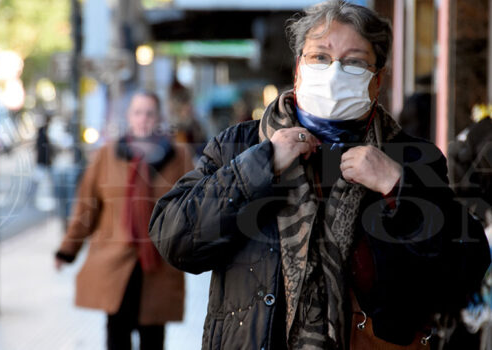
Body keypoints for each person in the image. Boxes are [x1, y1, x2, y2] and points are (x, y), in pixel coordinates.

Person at [149, 1, 491, 349]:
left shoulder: (411, 158)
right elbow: (175, 239)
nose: (334, 72)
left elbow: (464, 271)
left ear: (378, 79)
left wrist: (398, 187)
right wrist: (259, 165)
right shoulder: (239, 146)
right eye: (320, 57)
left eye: (355, 61)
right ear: (299, 68)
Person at [55, 91, 193, 350]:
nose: (143, 119)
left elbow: (193, 209)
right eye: (138, 112)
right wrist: (67, 249)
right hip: (116, 264)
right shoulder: (107, 155)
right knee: (117, 334)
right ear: (129, 117)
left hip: (158, 265)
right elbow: (87, 208)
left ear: (159, 117)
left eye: (149, 113)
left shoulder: (179, 158)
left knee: (153, 338)